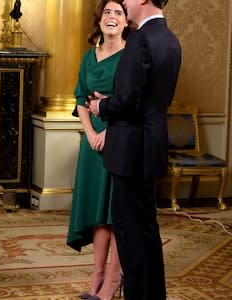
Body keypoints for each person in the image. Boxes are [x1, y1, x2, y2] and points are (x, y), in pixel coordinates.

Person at [88, 0, 181, 299]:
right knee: (147, 232)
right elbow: (151, 98)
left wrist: (100, 105)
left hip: (129, 149)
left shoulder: (140, 39)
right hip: (151, 144)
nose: (124, 2)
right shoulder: (169, 38)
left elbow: (127, 101)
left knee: (129, 235)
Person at [66, 1, 130, 299]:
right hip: (92, 144)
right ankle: (98, 276)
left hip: (121, 139)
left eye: (118, 12)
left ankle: (114, 279)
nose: (112, 17)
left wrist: (110, 131)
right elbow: (81, 100)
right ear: (99, 19)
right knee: (98, 211)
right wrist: (91, 133)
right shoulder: (87, 57)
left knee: (117, 211)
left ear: (127, 22)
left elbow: (134, 104)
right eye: (107, 12)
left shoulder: (132, 56)